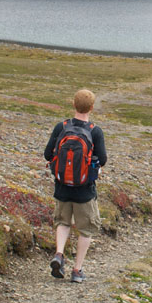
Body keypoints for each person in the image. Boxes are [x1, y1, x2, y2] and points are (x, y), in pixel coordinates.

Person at [43, 88, 107, 282]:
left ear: (73, 104)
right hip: (84, 190)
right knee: (86, 229)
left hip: (62, 186)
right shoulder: (95, 131)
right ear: (92, 107)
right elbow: (102, 159)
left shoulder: (61, 127)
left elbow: (47, 154)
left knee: (63, 222)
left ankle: (59, 254)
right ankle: (77, 270)